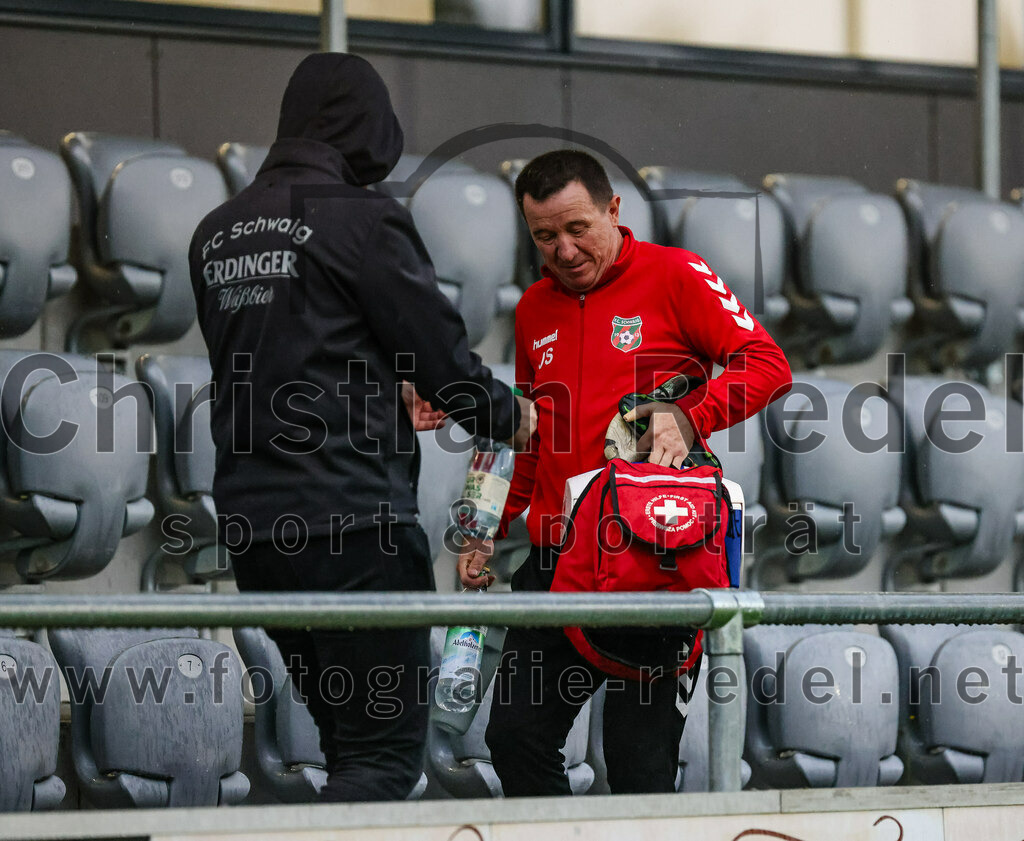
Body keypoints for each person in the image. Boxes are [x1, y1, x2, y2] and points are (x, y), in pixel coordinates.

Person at [188, 53, 535, 802]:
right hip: (353, 527)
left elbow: (293, 349)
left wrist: (386, 380)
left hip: (256, 534)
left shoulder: (217, 233)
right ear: (363, 124)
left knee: (348, 745)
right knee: (381, 757)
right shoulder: (365, 219)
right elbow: (444, 364)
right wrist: (517, 414)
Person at [458, 149, 791, 796]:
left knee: (639, 768)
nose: (564, 249)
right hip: (556, 562)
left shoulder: (678, 274)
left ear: (614, 210)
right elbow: (532, 431)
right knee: (515, 735)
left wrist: (692, 416)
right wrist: (491, 527)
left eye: (578, 228)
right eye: (545, 235)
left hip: (653, 560)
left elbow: (768, 363)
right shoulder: (532, 309)